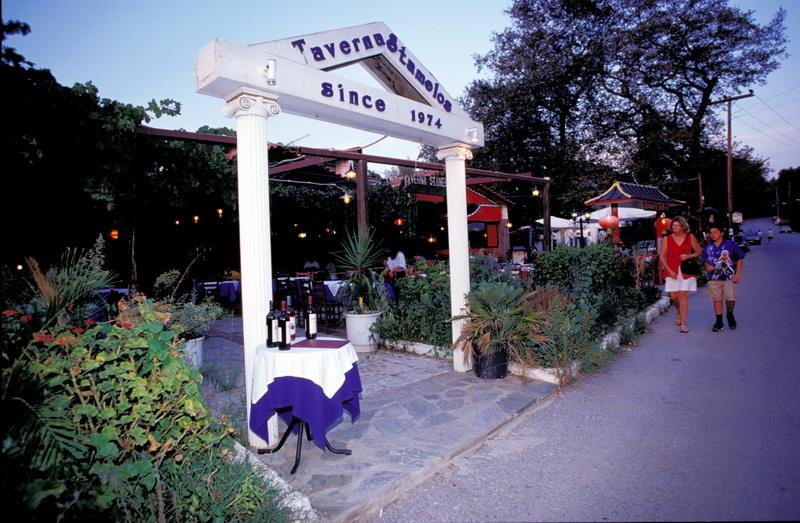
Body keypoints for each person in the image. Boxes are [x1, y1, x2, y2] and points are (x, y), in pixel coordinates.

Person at [659, 216, 702, 334]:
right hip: (672, 270)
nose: (674, 227)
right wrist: (669, 270)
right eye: (673, 225)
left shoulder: (690, 237)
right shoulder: (667, 239)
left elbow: (699, 251)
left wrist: (688, 256)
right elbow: (662, 256)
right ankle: (679, 311)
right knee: (673, 297)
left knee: (683, 295)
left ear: (683, 226)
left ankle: (683, 324)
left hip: (686, 270)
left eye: (677, 225)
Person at [700, 224, 745, 332]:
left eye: (715, 232)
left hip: (728, 277)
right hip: (714, 278)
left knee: (730, 299)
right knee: (717, 299)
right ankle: (719, 322)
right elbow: (704, 260)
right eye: (711, 233)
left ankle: (730, 314)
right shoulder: (708, 247)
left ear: (722, 233)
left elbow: (739, 258)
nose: (712, 235)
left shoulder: (730, 244)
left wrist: (738, 274)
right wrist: (707, 266)